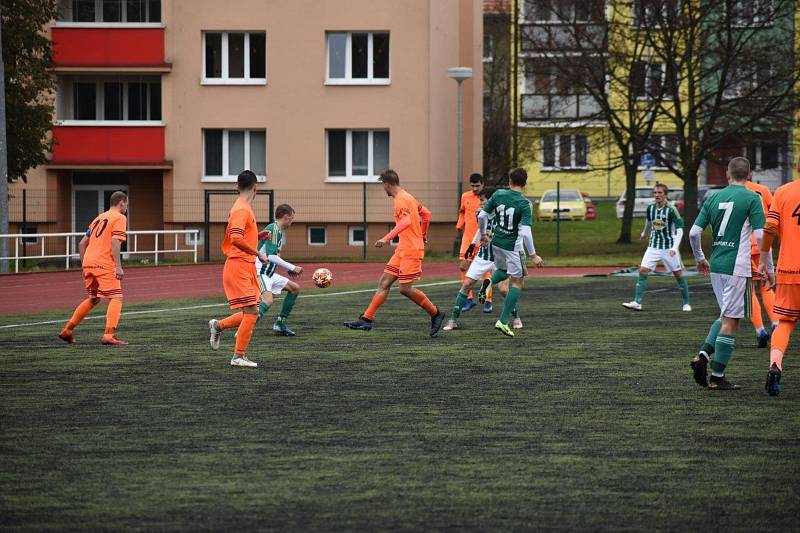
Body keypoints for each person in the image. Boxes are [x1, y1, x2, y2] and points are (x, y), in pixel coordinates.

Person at [689, 157, 765, 390]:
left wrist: (700, 258)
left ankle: (703, 356)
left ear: (727, 174)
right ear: (749, 176)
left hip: (717, 264)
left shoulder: (713, 197)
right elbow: (762, 236)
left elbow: (693, 233)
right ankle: (717, 377)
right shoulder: (753, 197)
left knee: (725, 316)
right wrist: (766, 266)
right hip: (737, 267)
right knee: (732, 321)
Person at [343, 169, 445, 336]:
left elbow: (405, 221)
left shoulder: (401, 200)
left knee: (405, 289)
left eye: (383, 186)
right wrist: (423, 234)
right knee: (384, 282)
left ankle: (435, 313)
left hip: (411, 250)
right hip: (403, 248)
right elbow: (426, 214)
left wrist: (387, 238)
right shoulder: (408, 197)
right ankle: (366, 319)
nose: (383, 189)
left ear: (387, 184)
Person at [208, 170, 270, 368]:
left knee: (253, 311)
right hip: (239, 266)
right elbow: (235, 239)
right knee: (252, 311)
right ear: (256, 188)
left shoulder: (242, 207)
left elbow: (240, 235)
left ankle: (219, 325)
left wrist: (257, 236)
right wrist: (258, 252)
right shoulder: (242, 209)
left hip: (245, 265)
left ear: (237, 187)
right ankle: (238, 356)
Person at [476, 168, 543, 337]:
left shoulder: (498, 194)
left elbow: (482, 216)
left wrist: (483, 234)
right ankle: (504, 321)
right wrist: (533, 255)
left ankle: (489, 281)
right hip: (513, 247)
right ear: (525, 183)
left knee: (503, 272)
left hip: (496, 242)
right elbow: (526, 232)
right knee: (517, 282)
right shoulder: (524, 203)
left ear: (510, 181)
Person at [58, 191, 130, 345]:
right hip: (104, 262)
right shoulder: (120, 217)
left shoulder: (98, 218)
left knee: (94, 299)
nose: (126, 207)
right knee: (116, 297)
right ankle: (109, 335)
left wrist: (85, 265)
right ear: (121, 202)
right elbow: (115, 243)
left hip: (89, 262)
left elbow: (82, 243)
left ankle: (67, 330)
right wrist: (118, 266)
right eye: (126, 203)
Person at [758, 157, 800, 396]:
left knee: (784, 322)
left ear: (796, 167)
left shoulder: (783, 192)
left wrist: (764, 260)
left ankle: (775, 365)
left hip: (789, 269)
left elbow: (770, 228)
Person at [622, 183, 691, 312]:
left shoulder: (671, 209)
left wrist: (675, 247)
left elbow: (680, 230)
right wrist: (644, 233)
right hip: (653, 246)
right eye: (655, 193)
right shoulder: (651, 208)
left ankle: (686, 303)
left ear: (665, 194)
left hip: (669, 247)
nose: (657, 195)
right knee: (643, 270)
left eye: (660, 193)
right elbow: (648, 222)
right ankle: (637, 302)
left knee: (678, 274)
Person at [254, 204, 303, 336]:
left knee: (294, 288)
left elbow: (273, 256)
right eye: (292, 219)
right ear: (286, 217)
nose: (292, 222)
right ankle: (244, 328)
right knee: (268, 301)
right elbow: (271, 256)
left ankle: (280, 324)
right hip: (260, 273)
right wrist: (292, 267)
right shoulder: (274, 229)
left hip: (269, 273)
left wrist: (287, 269)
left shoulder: (278, 231)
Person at [745, 177, 778, 347]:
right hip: (763, 243)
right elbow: (774, 215)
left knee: (748, 290)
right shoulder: (763, 190)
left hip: (743, 246)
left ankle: (760, 330)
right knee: (765, 287)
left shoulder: (732, 192)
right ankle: (775, 323)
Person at [456, 173, 493, 313]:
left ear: (483, 184)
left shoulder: (487, 199)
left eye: (477, 185)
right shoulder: (465, 196)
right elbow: (462, 212)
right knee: (463, 268)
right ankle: (469, 299)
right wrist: (459, 225)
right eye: (472, 185)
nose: (475, 188)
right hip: (468, 239)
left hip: (483, 239)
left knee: (485, 272)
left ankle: (488, 301)